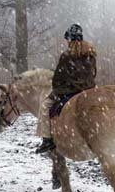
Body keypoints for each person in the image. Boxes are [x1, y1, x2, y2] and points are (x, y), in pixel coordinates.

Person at [36, 24, 97, 153]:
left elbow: (58, 78)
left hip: (70, 91)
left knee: (45, 106)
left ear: (70, 39)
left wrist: (57, 90)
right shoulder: (90, 54)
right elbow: (93, 74)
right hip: (89, 90)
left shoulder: (67, 55)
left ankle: (47, 139)